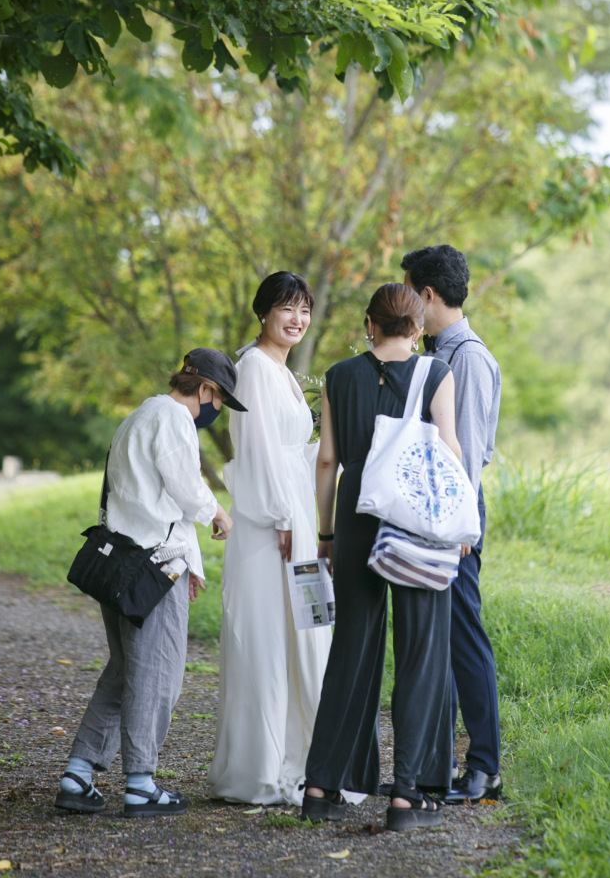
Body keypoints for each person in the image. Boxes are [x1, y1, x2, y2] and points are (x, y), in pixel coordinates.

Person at [302, 282, 463, 832]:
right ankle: (407, 795)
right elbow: (450, 448)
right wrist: (463, 518)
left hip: (355, 514)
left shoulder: (338, 376)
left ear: (369, 323)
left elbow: (327, 461)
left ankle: (321, 786)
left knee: (351, 646)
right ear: (417, 328)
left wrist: (326, 533)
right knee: (420, 650)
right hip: (415, 516)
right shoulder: (435, 373)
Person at [54, 348, 239, 818]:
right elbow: (184, 487)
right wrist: (218, 512)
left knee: (125, 672)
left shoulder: (140, 415)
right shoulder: (174, 418)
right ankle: (140, 784)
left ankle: (78, 775)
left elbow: (150, 500)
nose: (217, 410)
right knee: (156, 675)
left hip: (124, 562)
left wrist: (191, 566)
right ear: (205, 389)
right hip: (153, 567)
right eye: (220, 399)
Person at [208, 272, 331, 806]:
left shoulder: (285, 372)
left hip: (295, 510)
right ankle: (261, 766)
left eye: (304, 310)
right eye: (287, 308)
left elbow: (293, 452)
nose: (297, 319)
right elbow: (256, 448)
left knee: (304, 628)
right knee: (268, 637)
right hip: (270, 523)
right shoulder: (255, 367)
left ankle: (304, 756)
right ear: (263, 312)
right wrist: (282, 516)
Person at [402, 245, 503, 805]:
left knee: (464, 634)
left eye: (410, 292)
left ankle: (486, 768)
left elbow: (464, 452)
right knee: (440, 637)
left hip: (457, 510)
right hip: (438, 507)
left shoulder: (467, 358)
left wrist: (459, 526)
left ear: (428, 294)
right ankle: (442, 763)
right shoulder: (440, 352)